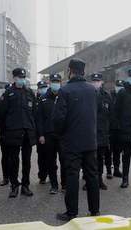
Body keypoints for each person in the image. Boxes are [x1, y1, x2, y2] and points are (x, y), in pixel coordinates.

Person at [53, 59, 100, 221]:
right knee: (92, 175)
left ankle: (72, 212)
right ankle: (95, 211)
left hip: (72, 142)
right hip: (90, 141)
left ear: (70, 71)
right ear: (83, 72)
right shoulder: (92, 90)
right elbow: (98, 113)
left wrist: (60, 134)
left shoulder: (65, 91)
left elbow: (58, 118)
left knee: (72, 176)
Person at [0, 68, 37, 198]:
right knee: (13, 160)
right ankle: (14, 186)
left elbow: (35, 113)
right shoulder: (8, 93)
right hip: (13, 132)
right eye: (19, 77)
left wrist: (34, 131)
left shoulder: (30, 93)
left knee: (27, 161)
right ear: (14, 78)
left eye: (23, 77)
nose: (22, 79)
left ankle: (25, 185)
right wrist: (4, 132)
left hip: (27, 132)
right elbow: (1, 115)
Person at [37, 74, 66, 194]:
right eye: (53, 81)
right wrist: (41, 134)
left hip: (63, 135)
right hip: (48, 135)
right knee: (50, 161)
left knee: (64, 161)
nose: (55, 83)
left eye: (57, 81)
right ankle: (54, 185)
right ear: (49, 82)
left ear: (61, 82)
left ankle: (64, 184)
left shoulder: (65, 96)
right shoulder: (43, 98)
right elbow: (39, 119)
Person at [90, 73, 112, 189]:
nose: (96, 82)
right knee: (90, 159)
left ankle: (99, 180)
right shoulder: (88, 95)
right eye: (94, 81)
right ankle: (89, 181)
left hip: (103, 133)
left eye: (98, 80)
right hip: (90, 133)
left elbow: (111, 115)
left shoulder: (107, 96)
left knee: (100, 158)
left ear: (101, 82)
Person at [109, 80, 124, 178]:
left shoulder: (124, 96)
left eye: (121, 86)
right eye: (118, 86)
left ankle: (117, 169)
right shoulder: (109, 96)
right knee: (108, 151)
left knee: (118, 150)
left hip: (120, 129)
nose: (119, 88)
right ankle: (109, 170)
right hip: (110, 128)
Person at [0, 83, 12, 186]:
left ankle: (14, 176)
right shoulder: (0, 103)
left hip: (14, 132)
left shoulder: (15, 103)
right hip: (4, 132)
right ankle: (5, 177)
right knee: (5, 155)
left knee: (14, 156)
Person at [36, 80, 49, 184]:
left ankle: (51, 173)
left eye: (44, 87)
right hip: (39, 132)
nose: (43, 89)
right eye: (41, 87)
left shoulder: (50, 98)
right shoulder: (34, 99)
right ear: (38, 89)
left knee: (51, 155)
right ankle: (42, 176)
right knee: (41, 155)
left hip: (50, 131)